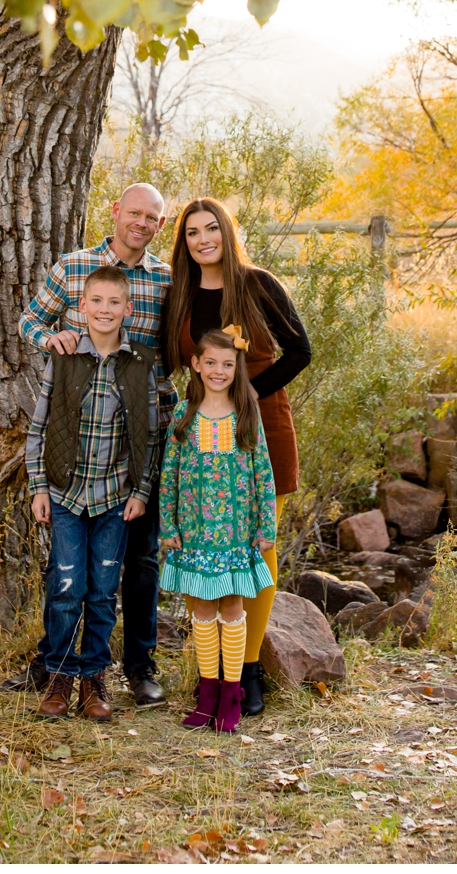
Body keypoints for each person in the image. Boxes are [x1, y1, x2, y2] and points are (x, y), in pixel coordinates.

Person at [17, 183, 173, 704]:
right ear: (116, 212)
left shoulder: (164, 281)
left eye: (152, 217)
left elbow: (183, 346)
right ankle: (55, 666)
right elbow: (31, 321)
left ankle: (128, 668)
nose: (142, 222)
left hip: (142, 434)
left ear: (159, 225)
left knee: (139, 560)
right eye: (135, 212)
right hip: (75, 437)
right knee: (67, 571)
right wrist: (52, 341)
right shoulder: (74, 267)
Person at [163, 196, 312, 716]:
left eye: (212, 229)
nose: (203, 240)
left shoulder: (258, 284)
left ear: (227, 232)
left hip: (258, 423)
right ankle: (212, 676)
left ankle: (247, 671)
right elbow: (166, 360)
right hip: (201, 430)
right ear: (183, 243)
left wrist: (243, 393)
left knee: (257, 542)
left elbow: (301, 352)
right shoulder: (178, 294)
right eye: (192, 233)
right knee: (201, 539)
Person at [158, 328, 279, 733]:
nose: (218, 371)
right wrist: (168, 523)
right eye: (210, 363)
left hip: (236, 534)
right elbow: (169, 473)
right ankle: (206, 693)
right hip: (194, 533)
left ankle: (232, 694)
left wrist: (267, 526)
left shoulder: (246, 414)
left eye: (227, 364)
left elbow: (263, 472)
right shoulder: (185, 414)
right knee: (203, 611)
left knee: (232, 609)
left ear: (237, 368)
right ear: (196, 365)